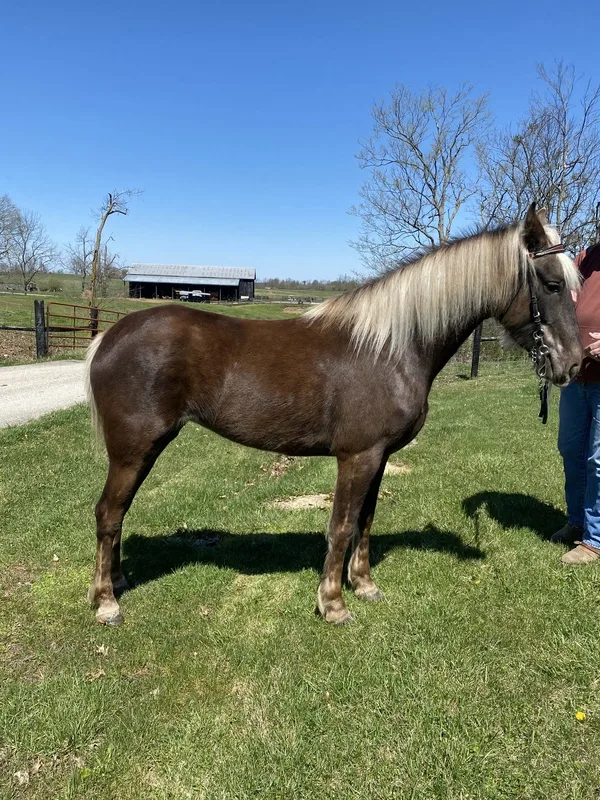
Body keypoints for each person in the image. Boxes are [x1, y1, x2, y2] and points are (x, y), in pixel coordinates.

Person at [552, 240, 600, 563]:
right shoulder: (586, 257)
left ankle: (594, 539)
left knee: (598, 459)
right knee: (570, 448)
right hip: (576, 375)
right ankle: (577, 521)